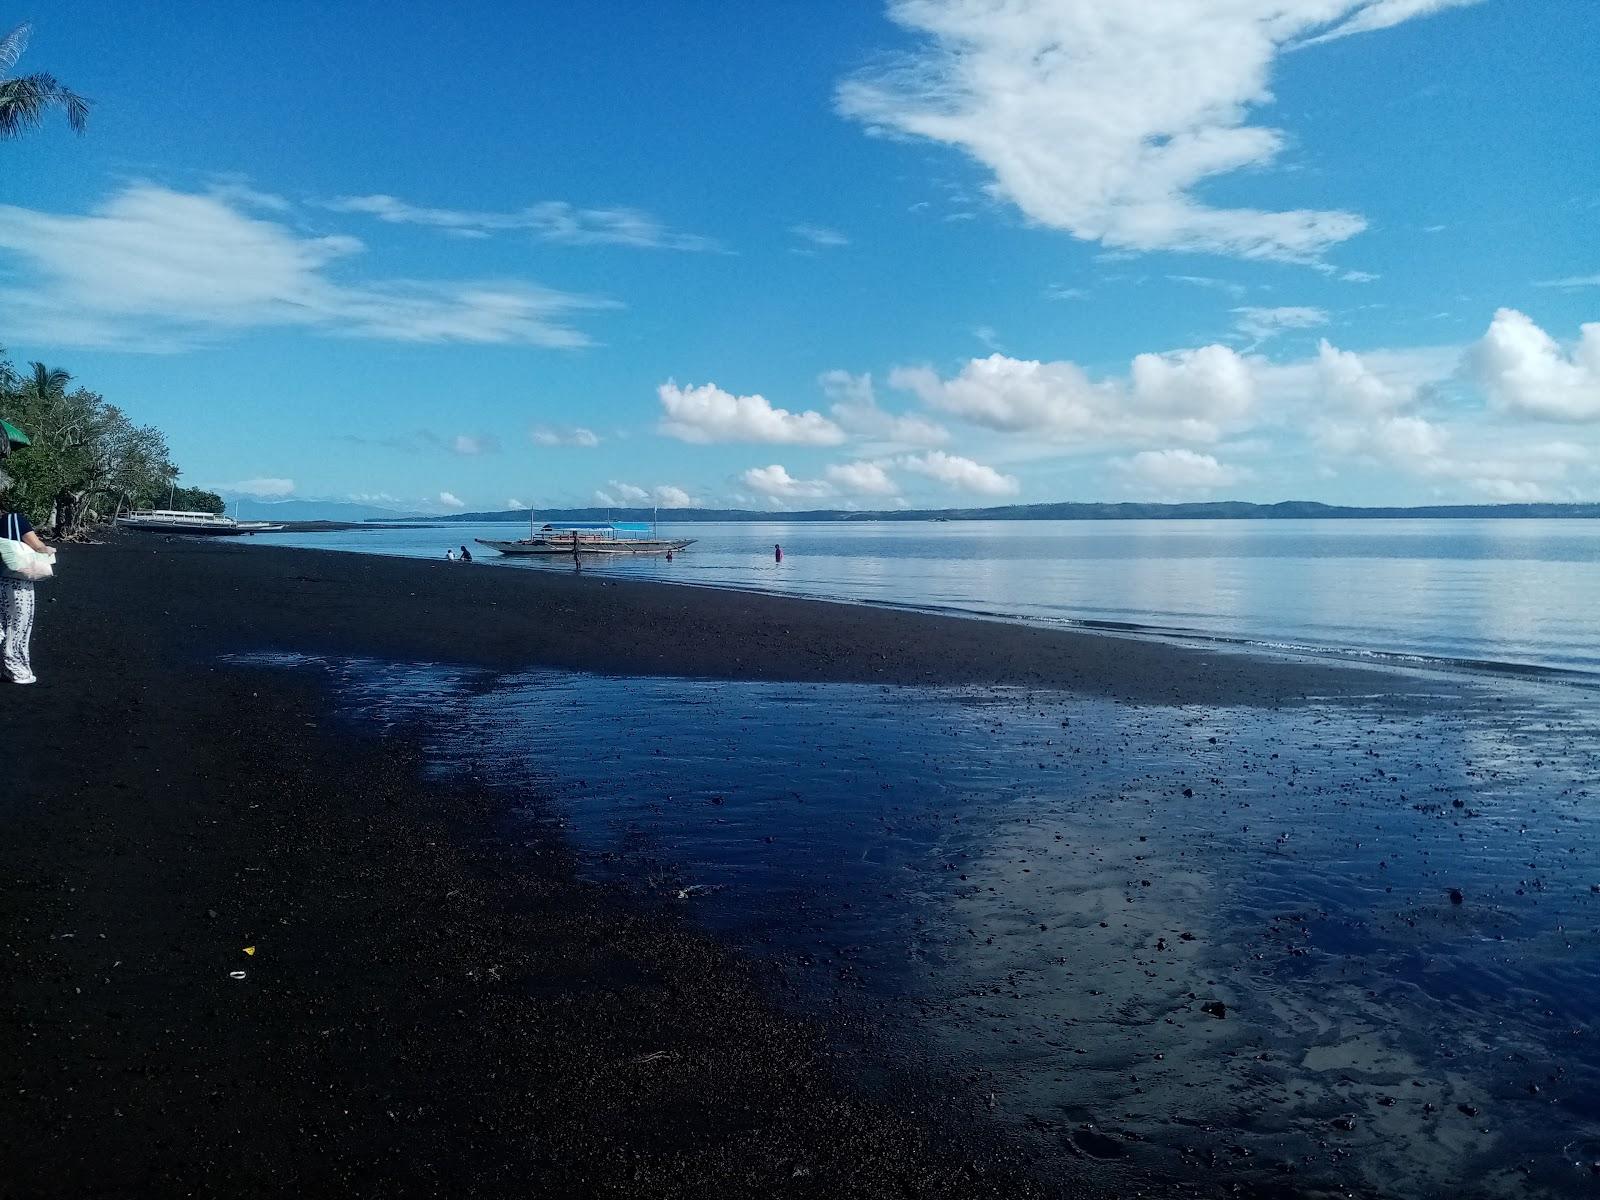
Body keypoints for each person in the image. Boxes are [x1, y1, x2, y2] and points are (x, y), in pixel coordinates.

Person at [1, 476, 54, 685]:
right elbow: (37, 546)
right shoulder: (14, 519)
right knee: (17, 625)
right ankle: (16, 671)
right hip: (16, 582)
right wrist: (47, 550)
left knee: (2, 624)